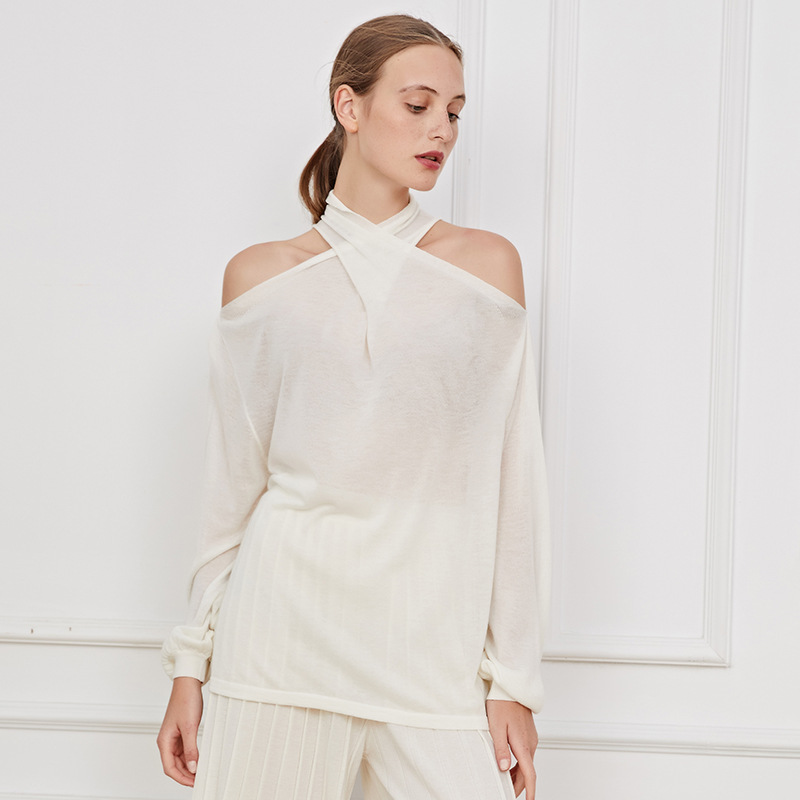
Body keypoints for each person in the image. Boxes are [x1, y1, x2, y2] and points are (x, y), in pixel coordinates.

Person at [157, 13, 551, 800]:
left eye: (455, 112)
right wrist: (189, 663)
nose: (442, 129)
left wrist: (513, 678)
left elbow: (514, 478)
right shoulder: (260, 279)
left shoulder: (485, 270)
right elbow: (231, 483)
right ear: (350, 106)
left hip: (430, 651)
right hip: (278, 645)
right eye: (418, 105)